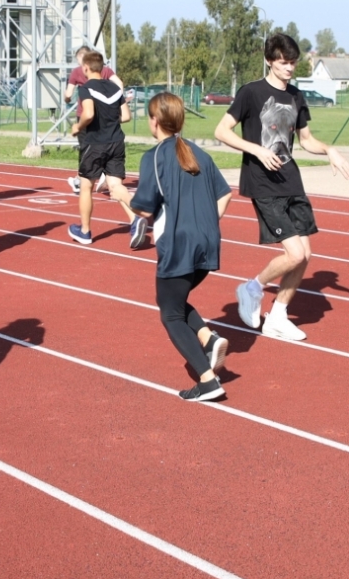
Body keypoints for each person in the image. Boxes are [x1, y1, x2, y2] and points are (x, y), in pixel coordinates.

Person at [214, 31, 349, 341]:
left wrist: (329, 149)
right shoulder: (251, 93)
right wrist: (258, 150)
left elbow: (305, 140)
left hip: (291, 180)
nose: (289, 68)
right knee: (293, 254)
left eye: (293, 63)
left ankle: (277, 314)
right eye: (283, 63)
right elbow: (222, 131)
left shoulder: (296, 96)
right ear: (269, 61)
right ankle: (251, 288)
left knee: (305, 254)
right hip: (263, 183)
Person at [131, 93, 234, 401]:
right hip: (208, 242)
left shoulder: (154, 157)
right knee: (173, 301)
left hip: (179, 244)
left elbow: (144, 210)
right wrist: (204, 223)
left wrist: (120, 192)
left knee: (170, 315)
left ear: (155, 121)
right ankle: (207, 337)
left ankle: (207, 380)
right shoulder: (199, 153)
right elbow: (225, 194)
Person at [68, 49, 141, 246]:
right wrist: (110, 118)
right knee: (115, 185)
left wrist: (78, 126)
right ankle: (135, 219)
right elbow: (126, 116)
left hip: (95, 143)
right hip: (116, 142)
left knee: (86, 186)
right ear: (102, 68)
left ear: (85, 67)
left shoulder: (86, 88)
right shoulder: (115, 88)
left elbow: (89, 114)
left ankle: (84, 231)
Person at [66, 46, 121, 196]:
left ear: (84, 64)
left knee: (87, 149)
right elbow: (119, 85)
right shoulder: (106, 71)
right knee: (105, 144)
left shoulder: (78, 74)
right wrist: (118, 103)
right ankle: (104, 173)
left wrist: (77, 125)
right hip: (107, 116)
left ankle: (84, 179)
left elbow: (69, 94)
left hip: (85, 115)